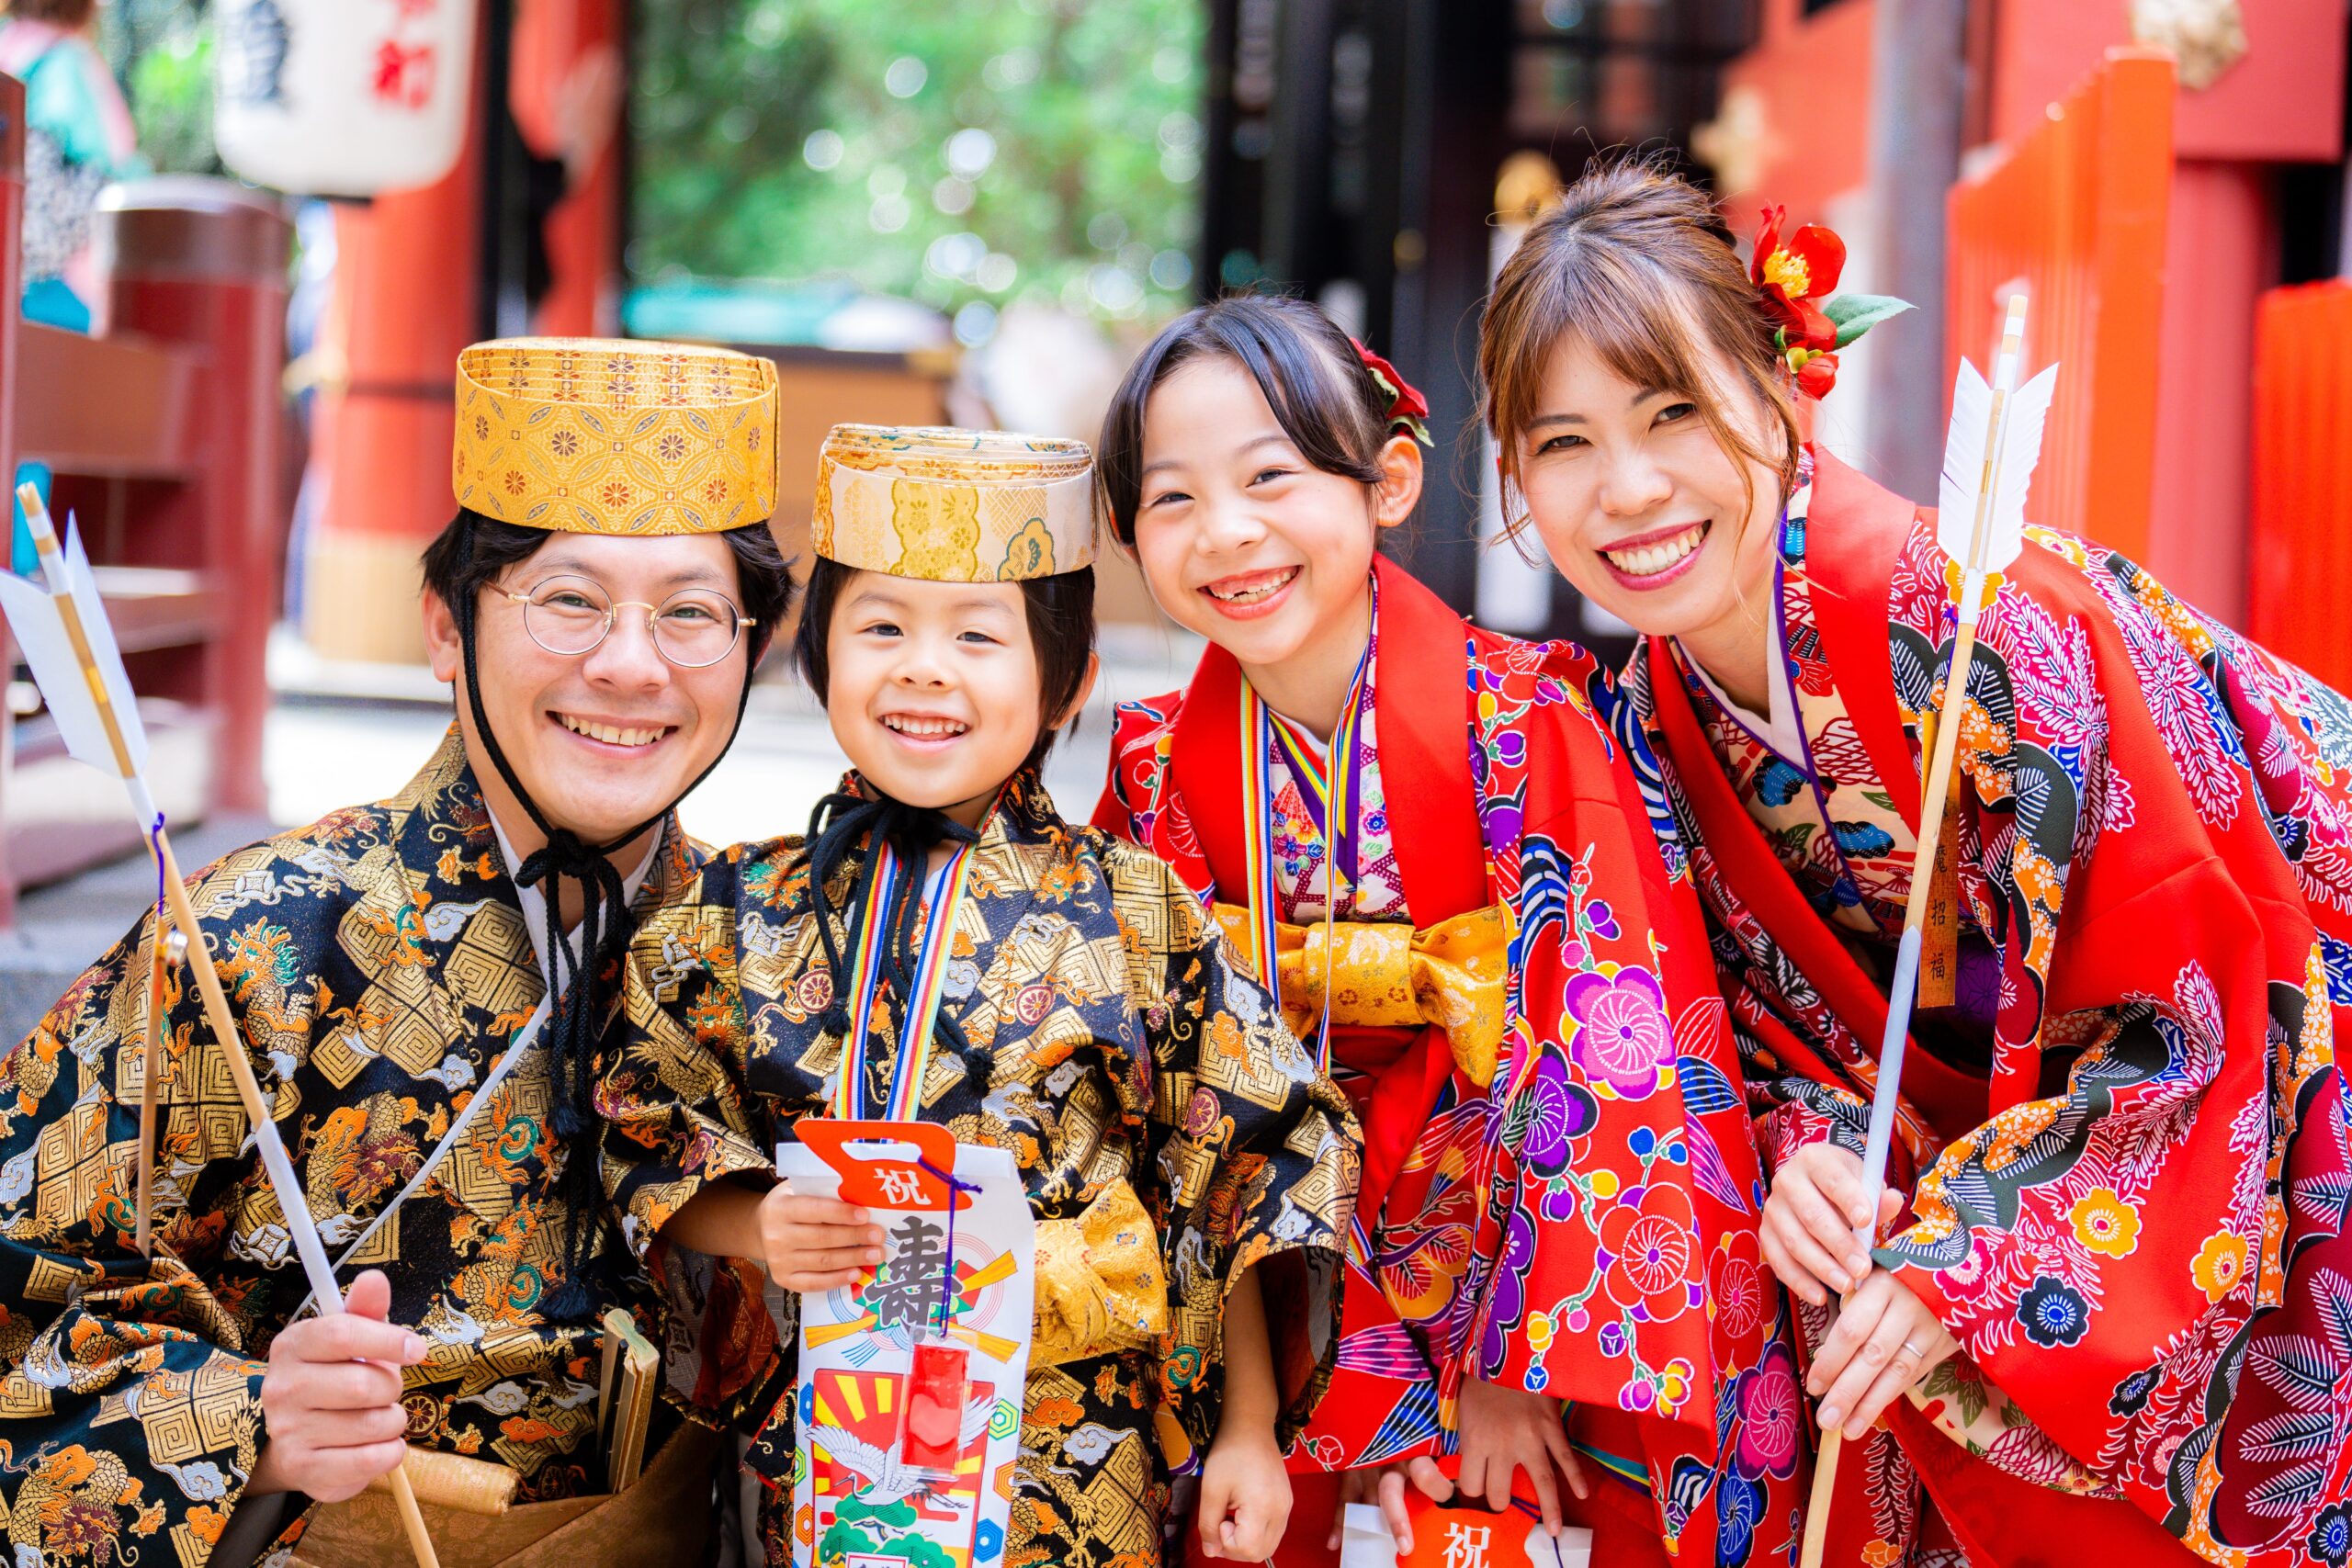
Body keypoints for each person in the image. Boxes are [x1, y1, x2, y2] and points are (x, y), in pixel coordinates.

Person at [1476, 155, 2352, 1566]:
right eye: (1562, 442)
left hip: (2254, 1094)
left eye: (1672, 412)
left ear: (1777, 389)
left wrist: (1978, 1254)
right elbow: (1730, 1037)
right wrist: (1800, 1156)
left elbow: (2190, 987)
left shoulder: (1976, 623)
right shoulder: (1639, 718)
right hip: (1962, 1181)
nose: (1627, 488)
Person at [0, 337, 794, 1566]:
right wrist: (246, 1422)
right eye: (569, 598)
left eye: (692, 613)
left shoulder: (775, 954)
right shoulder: (251, 943)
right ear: (444, 624)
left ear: (753, 647)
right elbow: (20, 1294)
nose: (631, 665)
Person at [1091, 295, 1806, 1568]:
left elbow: (1610, 1051)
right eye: (1173, 499)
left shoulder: (1534, 717)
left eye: (1271, 475)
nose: (1229, 532)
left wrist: (1502, 1358)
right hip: (1281, 1294)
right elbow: (1159, 1099)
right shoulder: (1153, 770)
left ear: (1388, 481)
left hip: (1527, 1308)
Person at [592, 423, 1361, 1568]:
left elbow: (1238, 1165)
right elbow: (639, 1127)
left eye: (977, 635)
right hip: (812, 1456)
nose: (923, 666)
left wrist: (1248, 1429)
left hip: (1065, 1464)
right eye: (882, 626)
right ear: (819, 658)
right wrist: (755, 1224)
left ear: (1068, 684)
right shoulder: (732, 907)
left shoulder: (1138, 910)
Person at [0, 0, 142, 332]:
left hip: (13, 275)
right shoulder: (69, 61)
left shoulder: (8, 45)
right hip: (62, 286)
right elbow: (110, 168)